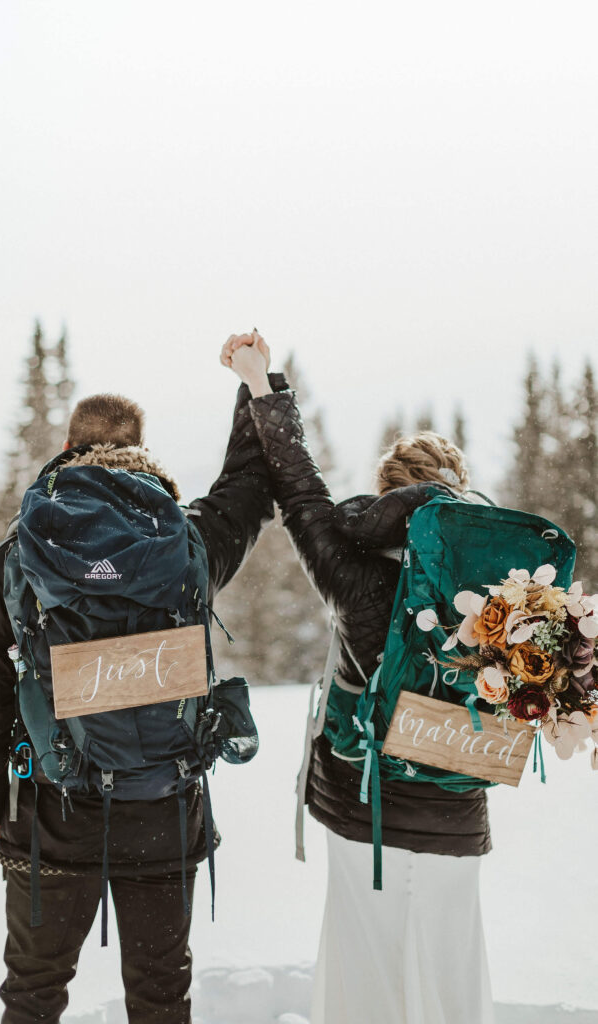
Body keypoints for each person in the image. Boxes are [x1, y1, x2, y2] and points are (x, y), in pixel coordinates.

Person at [0, 334, 288, 1024]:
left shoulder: (20, 557)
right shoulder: (187, 545)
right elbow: (250, 488)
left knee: (33, 995)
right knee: (161, 997)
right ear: (141, 448)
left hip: (50, 817)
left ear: (69, 448)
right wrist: (258, 385)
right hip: (164, 809)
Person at [222, 335, 494, 1024]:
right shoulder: (503, 579)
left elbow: (297, 487)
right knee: (449, 966)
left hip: (363, 796)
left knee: (363, 963)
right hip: (455, 796)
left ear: (386, 493)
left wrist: (262, 384)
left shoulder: (352, 569)